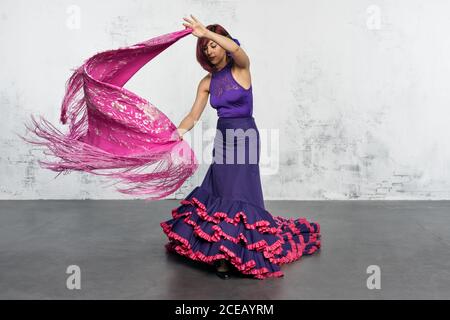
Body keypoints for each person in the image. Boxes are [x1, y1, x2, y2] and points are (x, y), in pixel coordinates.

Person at [160, 15, 321, 279]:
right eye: (204, 48)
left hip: (245, 136)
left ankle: (235, 251)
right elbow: (193, 116)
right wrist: (177, 133)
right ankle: (223, 253)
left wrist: (205, 32)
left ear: (222, 43)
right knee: (222, 191)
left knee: (240, 192)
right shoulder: (207, 82)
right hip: (223, 138)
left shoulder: (241, 69)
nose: (209, 50)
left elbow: (237, 50)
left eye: (212, 45)